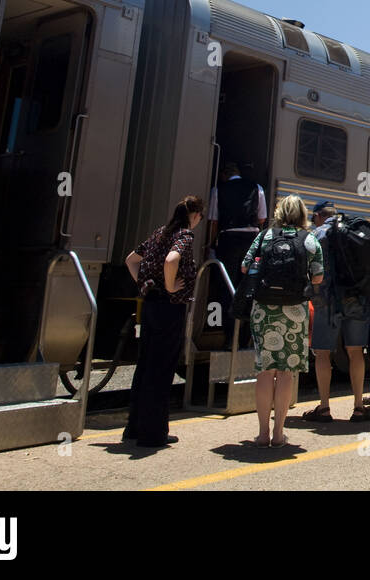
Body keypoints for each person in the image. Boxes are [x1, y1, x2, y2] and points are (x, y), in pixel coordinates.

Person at [240, 195, 324, 447]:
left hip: (264, 308)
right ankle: (278, 434)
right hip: (295, 310)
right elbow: (318, 277)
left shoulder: (265, 236)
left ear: (279, 213)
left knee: (265, 372)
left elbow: (245, 267)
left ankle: (262, 433)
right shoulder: (309, 240)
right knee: (287, 373)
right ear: (302, 214)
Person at [122, 195, 204, 448]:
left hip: (150, 306)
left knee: (145, 366)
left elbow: (131, 260)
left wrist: (147, 285)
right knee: (161, 370)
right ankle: (153, 434)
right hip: (170, 308)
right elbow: (172, 260)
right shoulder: (184, 235)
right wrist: (169, 287)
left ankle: (133, 428)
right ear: (195, 216)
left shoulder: (159, 233)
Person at [302, 200, 370, 423]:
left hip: (327, 301)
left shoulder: (317, 234)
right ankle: (359, 407)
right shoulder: (354, 230)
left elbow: (310, 268)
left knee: (323, 354)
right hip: (356, 300)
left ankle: (324, 408)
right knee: (356, 352)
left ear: (318, 216)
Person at [207, 161, 266, 347]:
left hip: (229, 240)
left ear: (224, 174)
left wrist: (210, 244)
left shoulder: (219, 190)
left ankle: (228, 335)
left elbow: (214, 221)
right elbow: (262, 218)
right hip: (251, 239)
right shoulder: (257, 188)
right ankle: (244, 337)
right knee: (248, 287)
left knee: (227, 286)